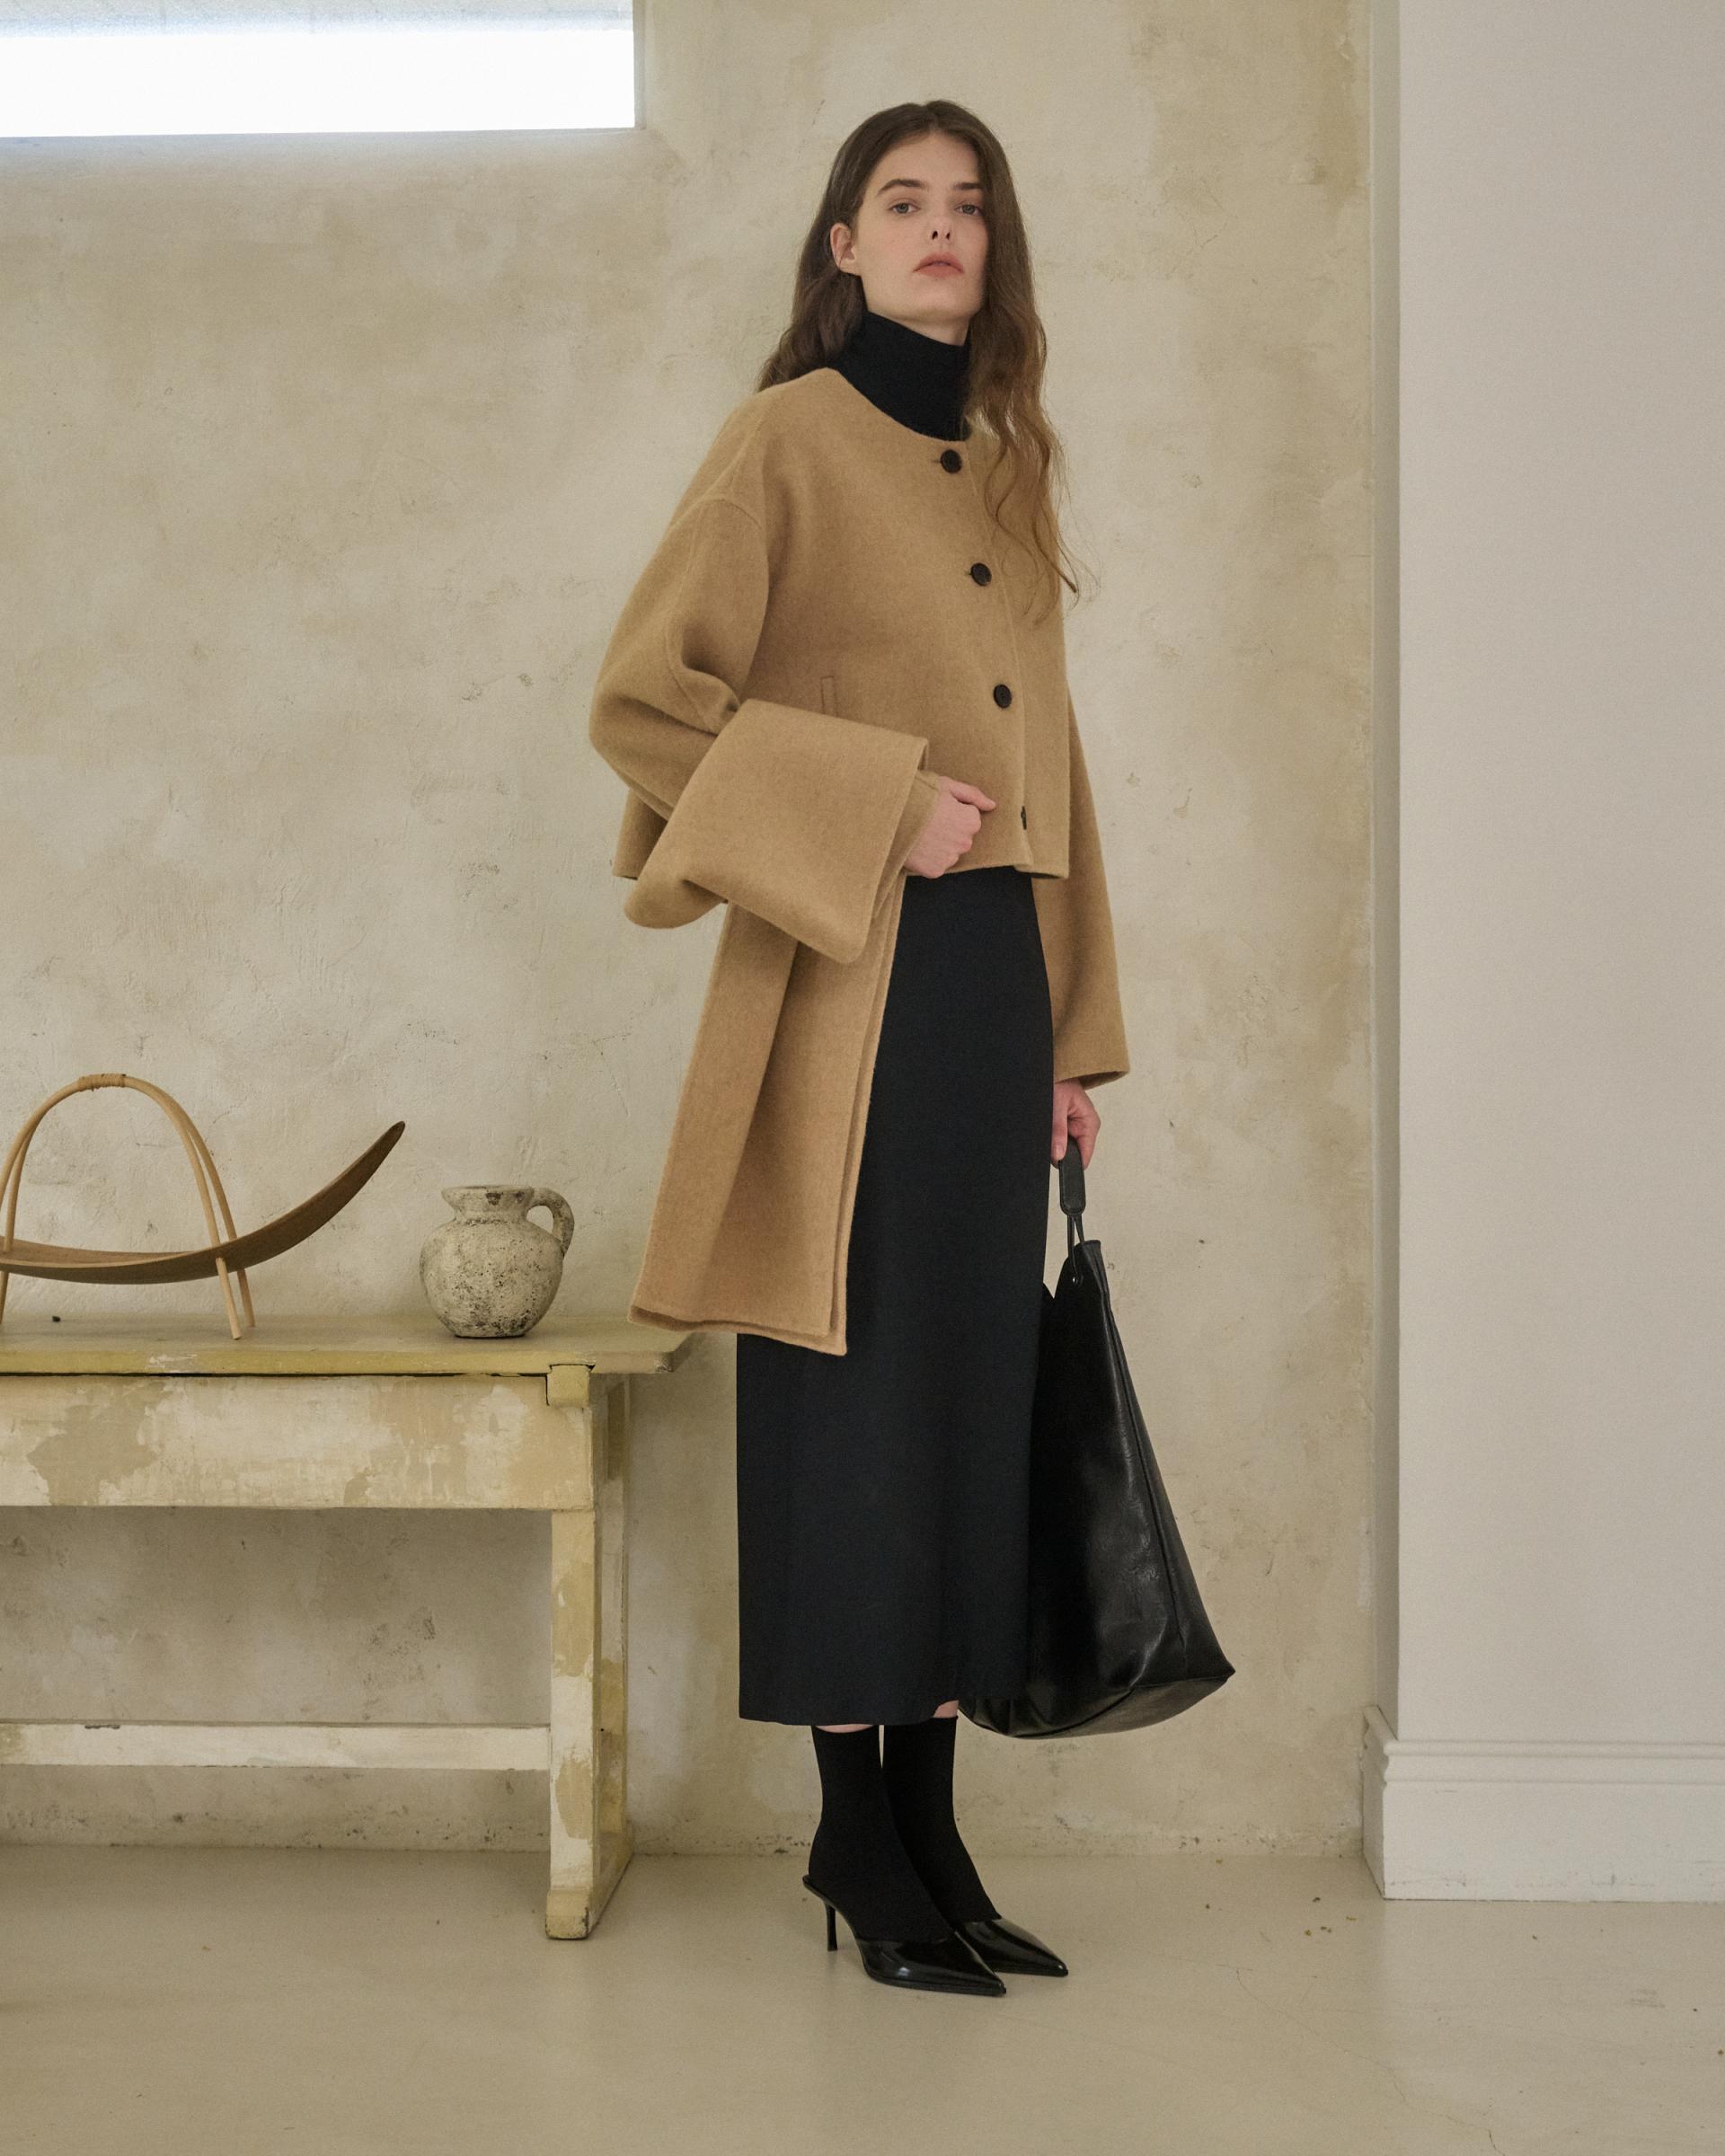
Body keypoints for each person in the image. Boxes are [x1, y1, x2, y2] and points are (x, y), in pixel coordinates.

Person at [589, 101, 1130, 1998]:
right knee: (854, 1404)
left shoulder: (1007, 467)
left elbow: (1057, 777)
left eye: (968, 204)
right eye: (902, 201)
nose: (938, 228)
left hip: (992, 996)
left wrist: (1071, 1040)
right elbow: (643, 704)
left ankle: (931, 1830)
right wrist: (881, 800)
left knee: (971, 1404)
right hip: (848, 983)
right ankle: (854, 1834)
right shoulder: (786, 440)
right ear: (842, 243)